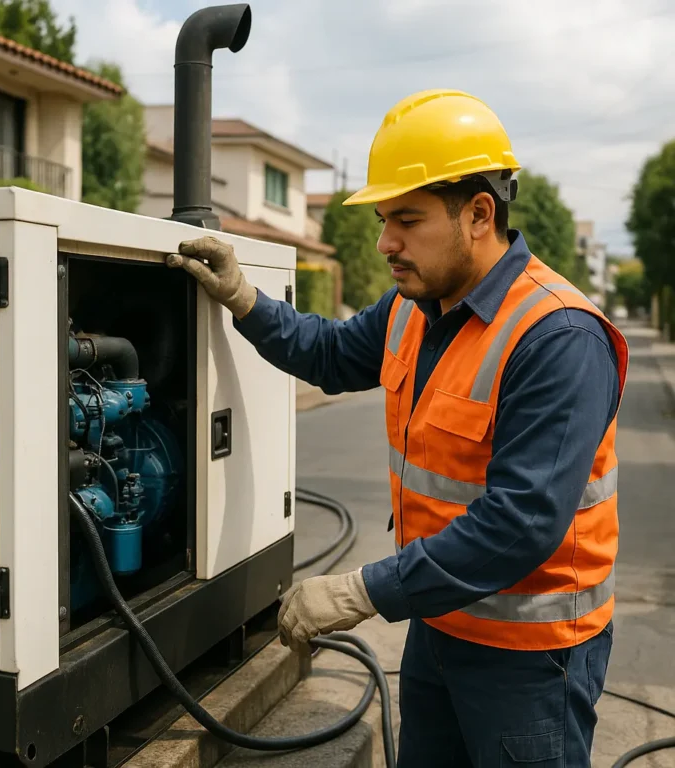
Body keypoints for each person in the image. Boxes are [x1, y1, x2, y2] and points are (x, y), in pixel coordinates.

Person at [165, 89, 628, 767]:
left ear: (479, 213)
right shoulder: (414, 307)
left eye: (407, 220)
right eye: (385, 220)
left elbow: (522, 523)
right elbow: (326, 353)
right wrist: (245, 299)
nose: (386, 243)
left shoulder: (556, 336)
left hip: (530, 661)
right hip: (438, 625)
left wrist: (360, 591)